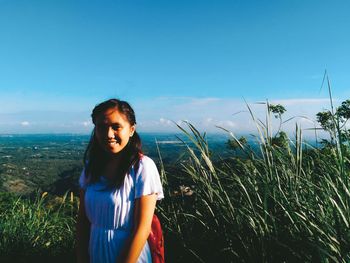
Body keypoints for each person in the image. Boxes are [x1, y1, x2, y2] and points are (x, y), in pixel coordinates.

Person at [76, 99, 164, 263]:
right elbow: (83, 222)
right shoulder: (90, 169)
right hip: (96, 253)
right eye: (101, 127)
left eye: (116, 127)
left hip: (131, 256)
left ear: (131, 130)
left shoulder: (143, 168)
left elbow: (141, 229)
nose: (109, 134)